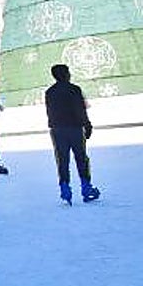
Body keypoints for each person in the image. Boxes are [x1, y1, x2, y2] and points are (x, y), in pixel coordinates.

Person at [44, 63, 100, 204]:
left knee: (62, 159)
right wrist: (87, 125)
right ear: (66, 74)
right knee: (81, 157)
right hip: (74, 127)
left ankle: (65, 189)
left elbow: (49, 112)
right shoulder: (74, 89)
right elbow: (80, 109)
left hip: (57, 129)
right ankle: (86, 188)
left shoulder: (49, 92)